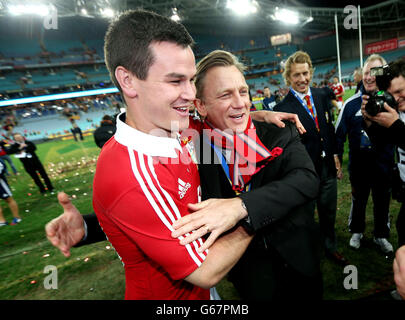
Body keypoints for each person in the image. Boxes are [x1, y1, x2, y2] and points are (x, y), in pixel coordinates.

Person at [171, 50, 322, 299]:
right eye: (225, 95)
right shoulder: (196, 150)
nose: (240, 102)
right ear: (200, 105)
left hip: (299, 260)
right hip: (248, 273)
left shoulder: (276, 132)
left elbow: (306, 180)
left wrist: (242, 206)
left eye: (243, 91)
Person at [273, 51, 348, 266]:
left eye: (305, 73)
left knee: (329, 212)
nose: (302, 79)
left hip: (327, 168)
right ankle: (308, 254)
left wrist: (335, 156)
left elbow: (328, 129)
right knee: (304, 217)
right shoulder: (282, 109)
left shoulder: (322, 95)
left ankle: (330, 247)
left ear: (311, 73)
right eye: (296, 75)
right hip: (304, 173)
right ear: (288, 78)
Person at [335, 54, 395, 254]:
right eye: (367, 72)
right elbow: (338, 133)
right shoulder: (351, 104)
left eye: (375, 72)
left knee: (382, 201)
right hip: (359, 166)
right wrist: (336, 156)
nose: (369, 77)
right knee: (358, 200)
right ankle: (356, 231)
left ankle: (381, 235)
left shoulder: (392, 102)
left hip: (383, 165)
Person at [361, 58, 405, 248]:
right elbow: (382, 143)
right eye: (390, 94)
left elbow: (399, 133)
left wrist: (395, 126)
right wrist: (371, 123)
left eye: (399, 91)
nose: (395, 99)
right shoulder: (398, 111)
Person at [0, 159, 21, 226]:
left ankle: (17, 217)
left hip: (1, 183)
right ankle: (2, 221)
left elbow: (2, 166)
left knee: (8, 199)